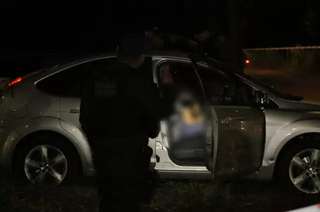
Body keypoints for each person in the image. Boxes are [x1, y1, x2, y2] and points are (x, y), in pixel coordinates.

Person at [79, 32, 173, 212]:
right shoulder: (139, 82)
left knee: (109, 199)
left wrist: (96, 141)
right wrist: (167, 86)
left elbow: (85, 115)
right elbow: (161, 112)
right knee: (127, 202)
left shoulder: (96, 79)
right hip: (129, 156)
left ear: (118, 51)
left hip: (102, 154)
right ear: (141, 56)